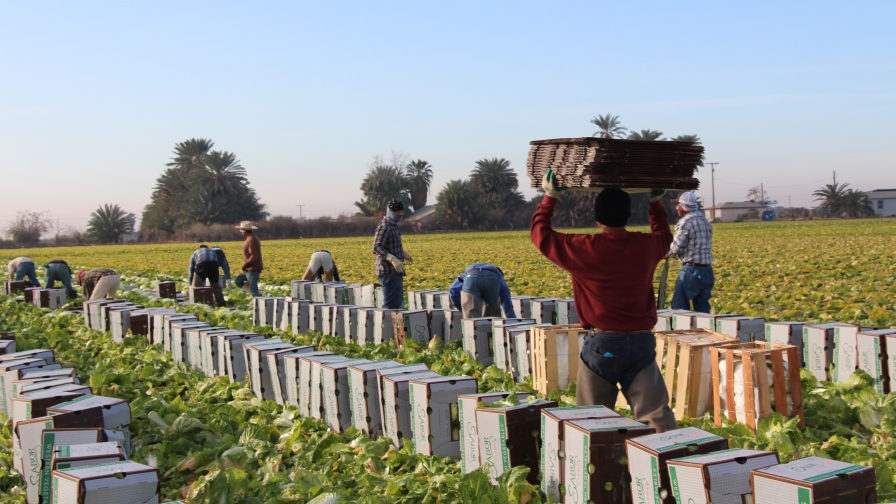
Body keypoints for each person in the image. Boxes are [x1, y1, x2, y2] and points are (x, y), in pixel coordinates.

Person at [530, 169, 676, 432]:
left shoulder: (583, 247)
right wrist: (655, 205)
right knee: (656, 415)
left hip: (602, 345)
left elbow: (541, 235)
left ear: (597, 219)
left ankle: (601, 469)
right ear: (628, 215)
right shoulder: (646, 246)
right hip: (642, 342)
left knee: (592, 420)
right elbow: (665, 238)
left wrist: (549, 198)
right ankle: (667, 464)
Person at [668, 191, 714, 313]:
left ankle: (682, 331)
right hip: (707, 271)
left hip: (691, 271)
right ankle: (705, 330)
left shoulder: (685, 222)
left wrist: (659, 254)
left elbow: (673, 249)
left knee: (679, 308)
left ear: (684, 206)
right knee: (703, 310)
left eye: (678, 205)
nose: (677, 208)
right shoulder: (705, 221)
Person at [372, 199, 413, 310]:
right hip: (388, 271)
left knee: (397, 304)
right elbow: (376, 247)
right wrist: (392, 258)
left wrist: (402, 252)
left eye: (401, 211)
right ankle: (386, 326)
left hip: (396, 272)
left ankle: (393, 326)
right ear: (390, 211)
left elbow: (390, 244)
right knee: (391, 306)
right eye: (397, 212)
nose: (400, 214)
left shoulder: (393, 225)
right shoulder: (384, 226)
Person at [449, 264, 516, 319]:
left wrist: (460, 307)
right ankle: (491, 333)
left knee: (471, 316)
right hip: (492, 279)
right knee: (492, 315)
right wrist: (511, 319)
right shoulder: (498, 275)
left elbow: (453, 289)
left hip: (471, 277)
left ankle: (473, 332)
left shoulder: (467, 272)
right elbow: (505, 296)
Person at [236, 221, 263, 297]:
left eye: (241, 230)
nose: (241, 232)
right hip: (248, 268)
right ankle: (256, 296)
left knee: (253, 287)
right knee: (238, 280)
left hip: (252, 268)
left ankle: (257, 301)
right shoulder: (250, 238)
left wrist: (244, 266)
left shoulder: (251, 240)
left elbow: (254, 256)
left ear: (244, 231)